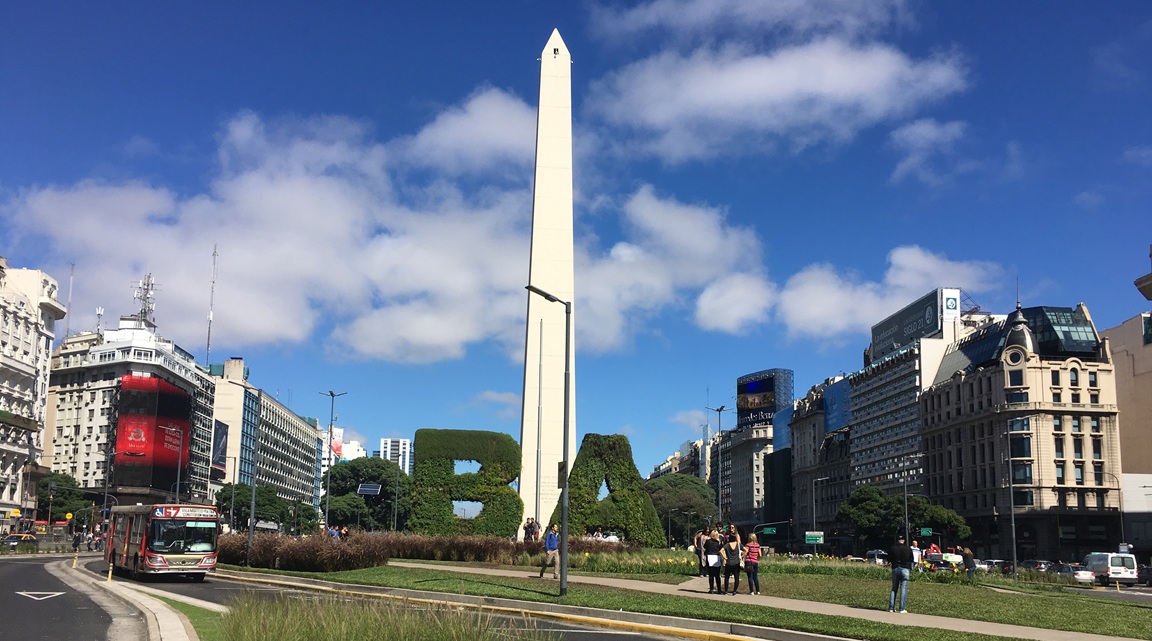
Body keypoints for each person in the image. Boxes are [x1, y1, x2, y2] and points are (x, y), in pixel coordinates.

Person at [888, 534, 914, 613]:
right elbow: (911, 559)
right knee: (903, 589)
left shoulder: (892, 548)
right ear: (904, 540)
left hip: (895, 568)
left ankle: (891, 608)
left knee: (894, 589)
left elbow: (889, 559)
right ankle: (902, 608)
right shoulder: (908, 549)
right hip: (905, 568)